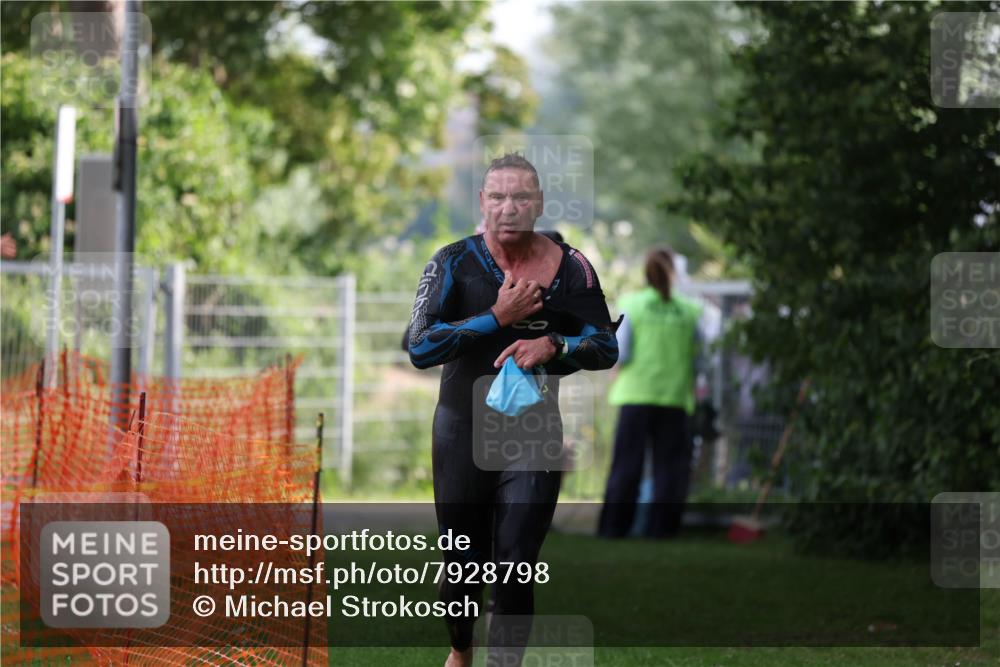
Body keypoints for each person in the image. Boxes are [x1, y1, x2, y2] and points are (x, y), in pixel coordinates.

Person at [408, 153, 618, 667]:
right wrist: (496, 316)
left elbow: (605, 347)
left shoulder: (571, 267)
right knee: (462, 566)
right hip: (460, 431)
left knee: (516, 564)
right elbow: (418, 347)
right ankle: (460, 649)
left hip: (532, 433)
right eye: (498, 197)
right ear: (482, 203)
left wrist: (556, 347)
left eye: (521, 197)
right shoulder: (451, 261)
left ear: (539, 203)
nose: (509, 207)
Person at [597, 247, 703, 539]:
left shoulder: (632, 304)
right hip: (674, 397)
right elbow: (700, 357)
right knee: (669, 469)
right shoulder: (691, 310)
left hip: (635, 396)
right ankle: (663, 530)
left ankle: (613, 529)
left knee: (627, 465)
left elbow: (622, 352)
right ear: (673, 273)